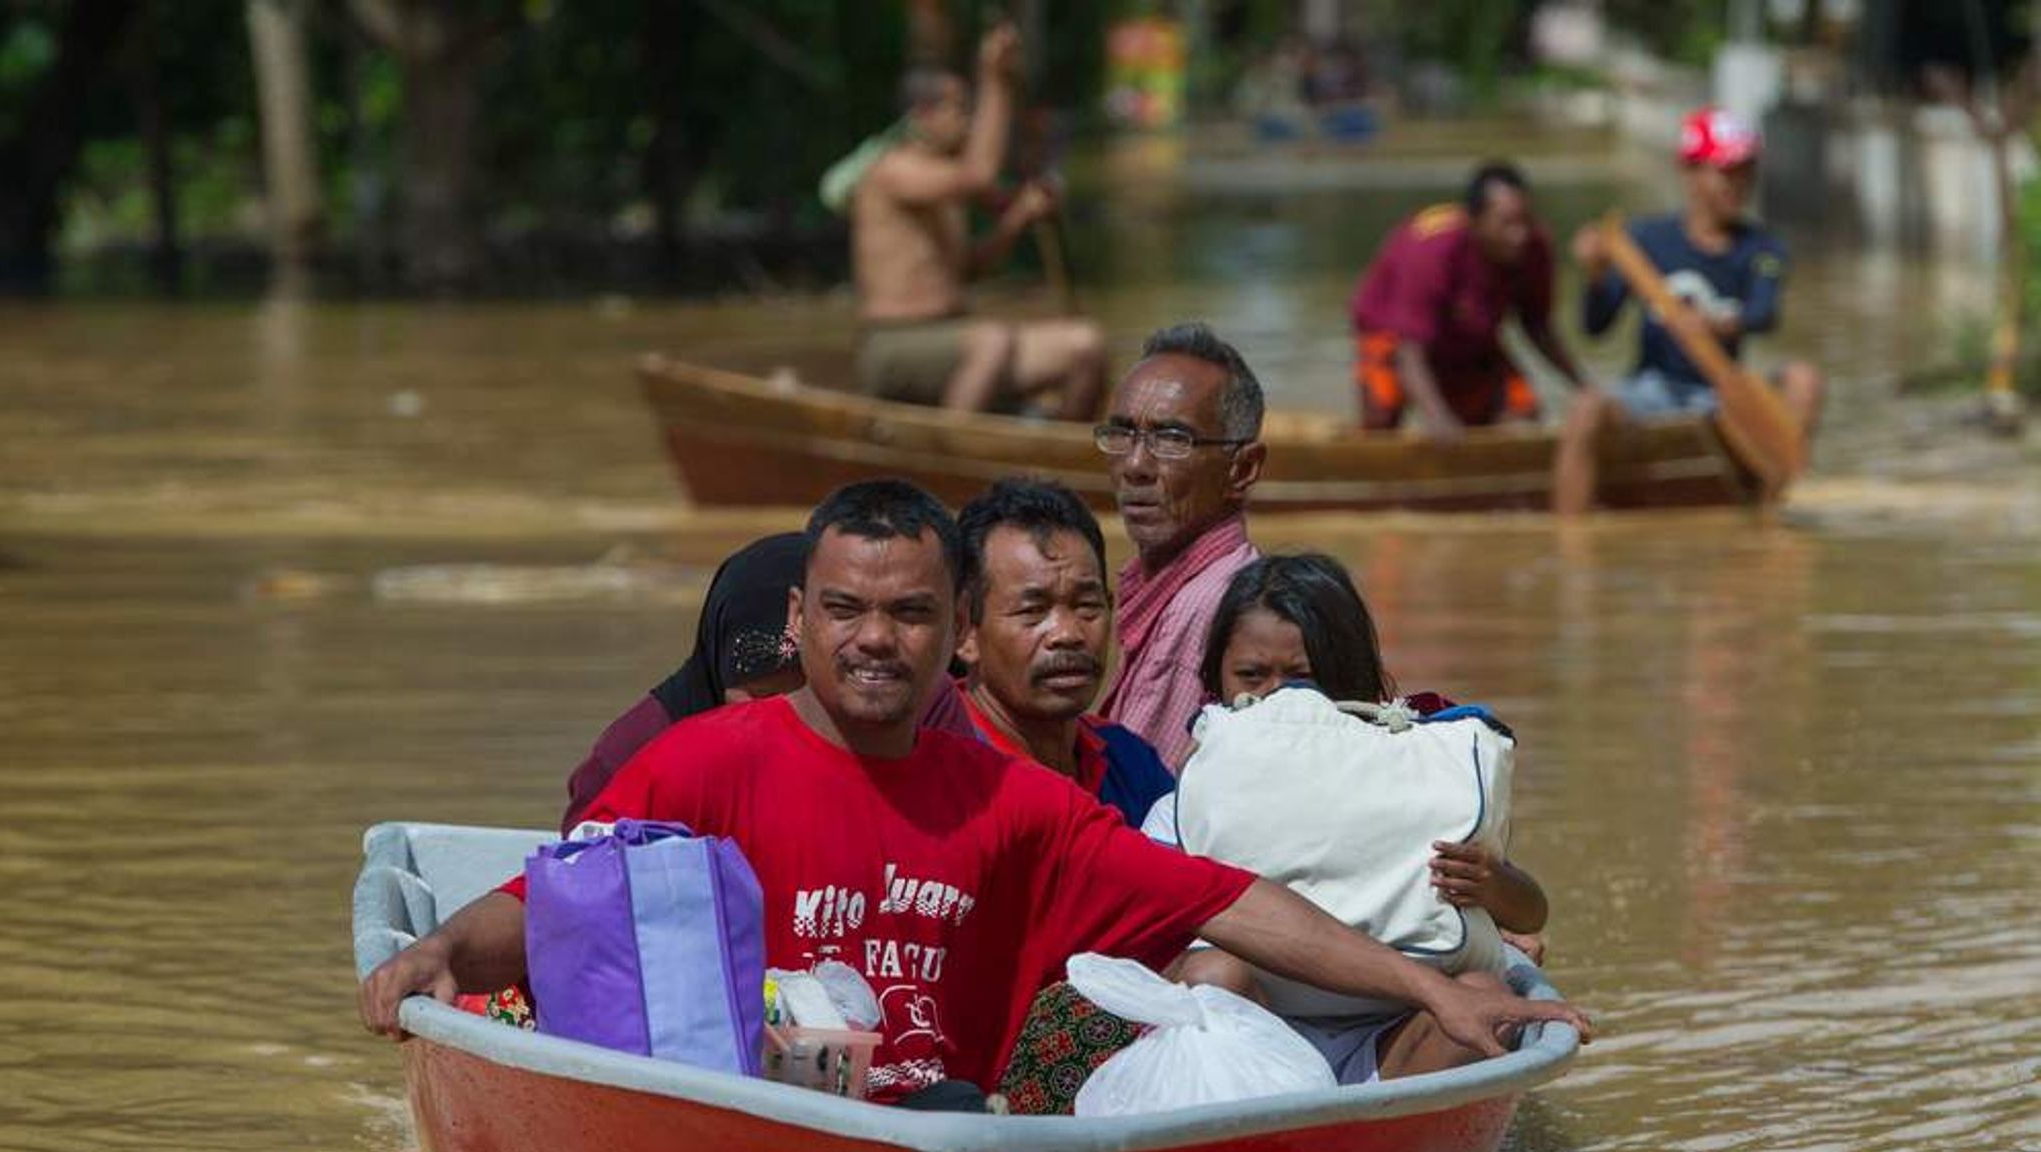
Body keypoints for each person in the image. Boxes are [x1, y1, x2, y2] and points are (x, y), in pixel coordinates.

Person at [359, 479, 1588, 1108]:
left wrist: (1430, 987)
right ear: (801, 619)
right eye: (842, 612)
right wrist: (441, 950)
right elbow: (566, 897)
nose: (872, 643)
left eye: (904, 614)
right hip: (759, 1115)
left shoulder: (1007, 803)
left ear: (949, 631)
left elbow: (1228, 900)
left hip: (958, 1118)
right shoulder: (704, 764)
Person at [1153, 553, 1552, 1084]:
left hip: (1397, 1041)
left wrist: (1490, 884)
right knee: (1210, 974)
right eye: (1252, 676)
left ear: (1352, 679)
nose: (1278, 698)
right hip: (1252, 1047)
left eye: (1303, 679)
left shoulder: (1419, 778)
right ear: (1214, 681)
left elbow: (1531, 912)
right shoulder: (1186, 803)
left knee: (1485, 995)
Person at [559, 533, 974, 833]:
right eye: (762, 697)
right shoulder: (632, 757)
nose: (786, 714)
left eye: (807, 693)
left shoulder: (914, 704)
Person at [1554, 107, 1825, 515]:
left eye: (1745, 170)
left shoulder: (1765, 250)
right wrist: (1593, 276)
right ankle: (1569, 545)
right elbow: (1595, 328)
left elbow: (1764, 315)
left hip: (1720, 395)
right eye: (1725, 171)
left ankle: (1769, 510)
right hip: (1653, 389)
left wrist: (1718, 325)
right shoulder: (1643, 240)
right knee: (1586, 408)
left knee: (1804, 379)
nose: (1738, 183)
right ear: (1691, 173)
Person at [844, 24, 1106, 419]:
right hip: (895, 345)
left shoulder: (943, 184)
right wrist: (993, 77)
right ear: (922, 114)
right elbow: (979, 175)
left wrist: (1018, 218)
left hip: (953, 340)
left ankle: (1049, 466)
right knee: (992, 339)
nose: (967, 121)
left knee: (1086, 346)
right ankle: (951, 454)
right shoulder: (893, 170)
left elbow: (969, 269)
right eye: (959, 109)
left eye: (969, 109)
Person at [952, 477, 1174, 827]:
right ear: (963, 630)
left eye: (1087, 605)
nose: (1068, 634)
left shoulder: (1130, 763)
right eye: (1032, 610)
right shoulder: (938, 771)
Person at [1094, 322, 1265, 770]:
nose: (1134, 466)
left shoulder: (1201, 608)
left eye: (1172, 439)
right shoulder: (1216, 583)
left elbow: (1133, 803)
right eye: (1122, 434)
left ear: (1242, 469)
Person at [1350, 162, 1595, 439]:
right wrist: (1437, 416)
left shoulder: (1534, 247)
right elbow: (1409, 350)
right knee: (1382, 418)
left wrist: (1584, 387)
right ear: (1474, 221)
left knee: (1523, 414)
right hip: (1394, 335)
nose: (1519, 235)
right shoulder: (1434, 250)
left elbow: (1537, 325)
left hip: (1468, 339)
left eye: (1524, 221)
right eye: (1506, 224)